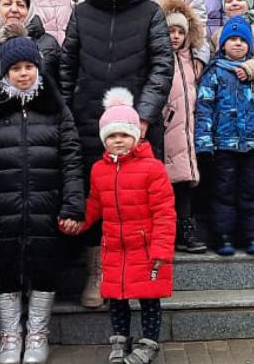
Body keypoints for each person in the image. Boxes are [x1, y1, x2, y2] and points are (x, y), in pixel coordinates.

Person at [59, 0, 173, 308]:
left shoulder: (151, 12)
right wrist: (66, 113)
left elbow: (161, 66)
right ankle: (97, 273)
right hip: (89, 120)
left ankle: (137, 274)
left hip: (135, 126)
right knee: (99, 195)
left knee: (135, 200)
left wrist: (143, 116)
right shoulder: (81, 13)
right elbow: (67, 66)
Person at [0, 37, 86, 364]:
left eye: (29, 67)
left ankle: (37, 332)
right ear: (5, 72)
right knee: (7, 270)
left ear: (39, 68)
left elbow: (72, 161)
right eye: (16, 68)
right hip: (3, 209)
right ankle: (10, 335)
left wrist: (73, 205)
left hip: (46, 206)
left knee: (45, 268)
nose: (23, 74)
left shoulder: (55, 107)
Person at [58, 89, 174, 364]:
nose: (118, 140)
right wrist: (78, 221)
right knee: (117, 297)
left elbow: (165, 212)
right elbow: (96, 203)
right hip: (114, 245)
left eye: (123, 135)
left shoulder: (153, 168)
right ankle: (120, 339)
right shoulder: (99, 170)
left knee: (149, 298)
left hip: (145, 247)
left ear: (135, 137)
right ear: (104, 140)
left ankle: (148, 342)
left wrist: (161, 247)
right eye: (111, 135)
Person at [195, 16, 254, 256]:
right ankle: (224, 236)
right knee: (223, 192)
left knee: (253, 191)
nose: (237, 44)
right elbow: (204, 109)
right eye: (232, 39)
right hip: (223, 146)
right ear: (222, 44)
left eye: (242, 40)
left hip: (253, 146)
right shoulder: (213, 74)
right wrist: (204, 143)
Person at [158, 0, 209, 254]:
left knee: (183, 185)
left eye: (181, 32)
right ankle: (166, 234)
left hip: (187, 133)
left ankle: (186, 232)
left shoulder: (191, 60)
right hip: (166, 131)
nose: (176, 36)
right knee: (165, 187)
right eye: (171, 31)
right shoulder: (158, 59)